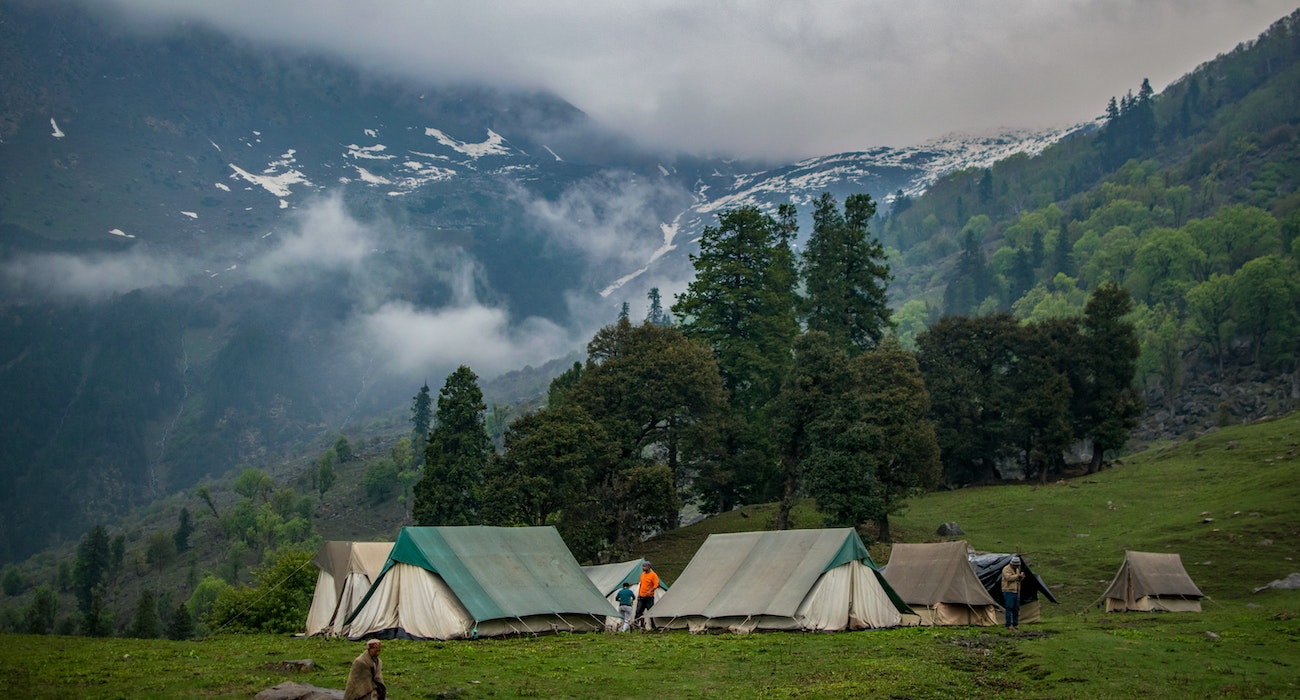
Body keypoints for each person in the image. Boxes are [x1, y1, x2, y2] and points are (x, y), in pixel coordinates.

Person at [1001, 554, 1026, 631]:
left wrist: (1021, 577)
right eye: (1016, 565)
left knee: (1016, 608)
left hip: (1016, 591)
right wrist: (1017, 575)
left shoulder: (1017, 569)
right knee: (1009, 607)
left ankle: (1015, 624)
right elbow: (1008, 578)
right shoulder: (1006, 569)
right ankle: (1008, 624)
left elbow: (1017, 579)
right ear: (1012, 564)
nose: (1017, 567)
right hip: (1008, 590)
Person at [634, 560, 660, 629]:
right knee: (638, 611)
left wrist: (650, 590)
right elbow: (641, 585)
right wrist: (639, 594)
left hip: (649, 597)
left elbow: (656, 584)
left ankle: (653, 626)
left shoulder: (653, 575)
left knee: (650, 612)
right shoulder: (642, 575)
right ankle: (636, 625)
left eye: (644, 566)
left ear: (649, 567)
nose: (643, 568)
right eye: (643, 566)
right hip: (641, 597)